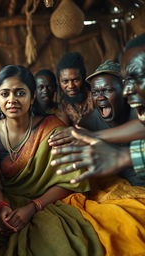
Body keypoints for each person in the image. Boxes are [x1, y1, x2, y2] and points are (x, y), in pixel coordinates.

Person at [0, 65, 103, 255]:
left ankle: (21, 233)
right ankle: (12, 228)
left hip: (46, 201)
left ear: (33, 96)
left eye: (20, 93)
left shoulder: (53, 129)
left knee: (52, 236)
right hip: (8, 198)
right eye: (5, 94)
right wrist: (0, 207)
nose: (12, 100)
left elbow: (70, 182)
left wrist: (32, 208)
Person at [51, 33, 145, 183]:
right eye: (96, 92)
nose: (128, 91)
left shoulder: (135, 108)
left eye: (108, 90)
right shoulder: (83, 118)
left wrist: (123, 156)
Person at [56, 52, 94, 125]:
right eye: (65, 81)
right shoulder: (64, 104)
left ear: (83, 78)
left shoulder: (94, 97)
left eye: (75, 80)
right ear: (59, 82)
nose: (71, 86)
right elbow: (63, 129)